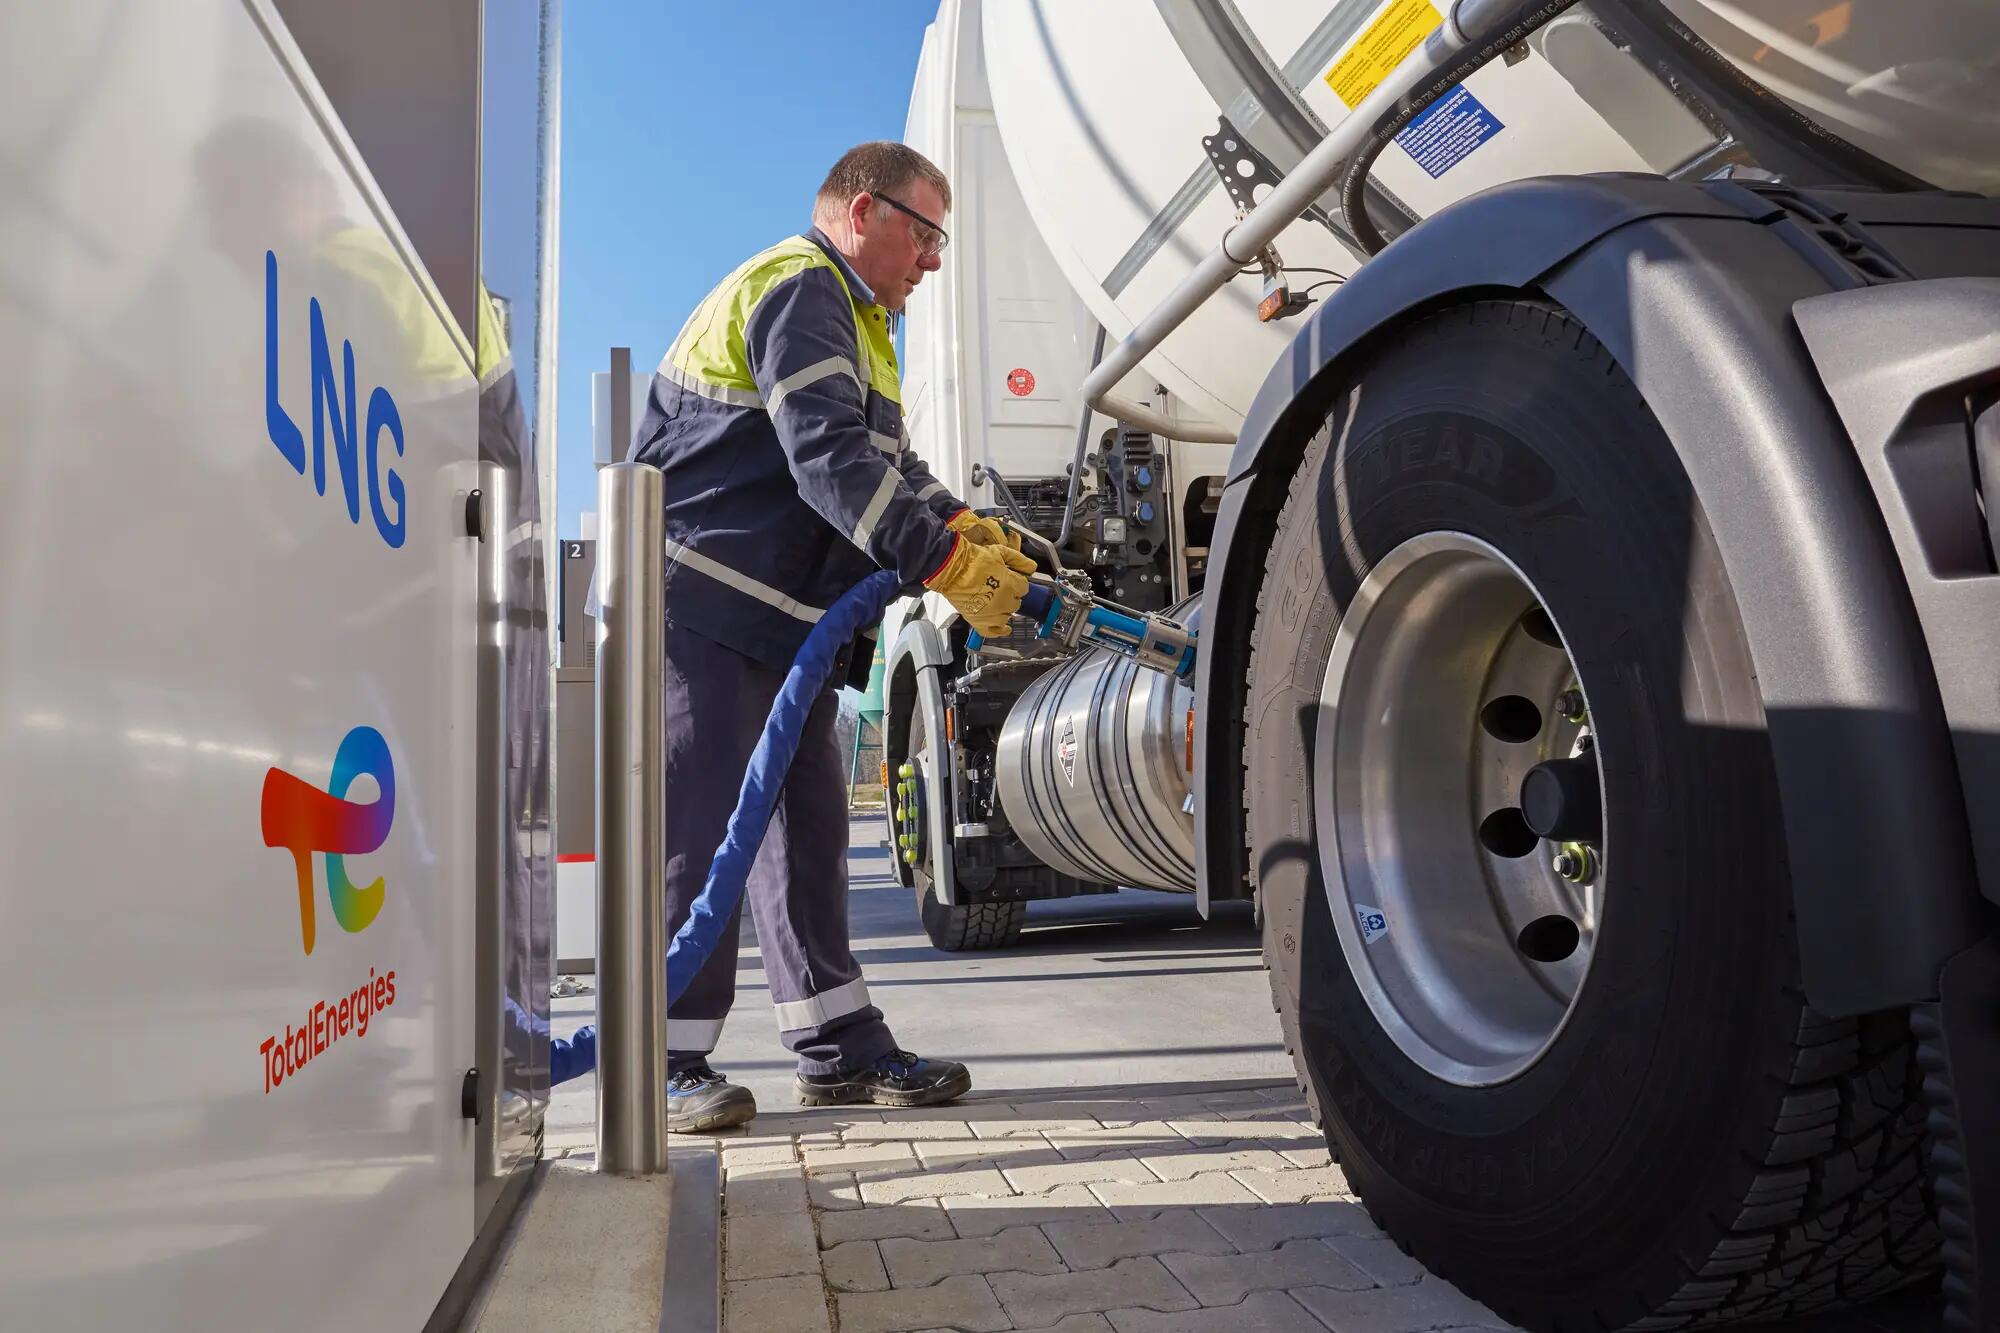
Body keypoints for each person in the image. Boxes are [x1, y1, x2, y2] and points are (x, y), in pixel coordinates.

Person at [629, 142, 1034, 1131]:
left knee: (807, 825)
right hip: (704, 604)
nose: (932, 258)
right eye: (926, 231)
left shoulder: (859, 323)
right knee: (703, 825)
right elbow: (828, 464)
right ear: (862, 212)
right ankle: (662, 1061)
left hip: (782, 625)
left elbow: (883, 463)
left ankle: (837, 1045)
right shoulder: (800, 286)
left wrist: (971, 528)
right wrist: (937, 560)